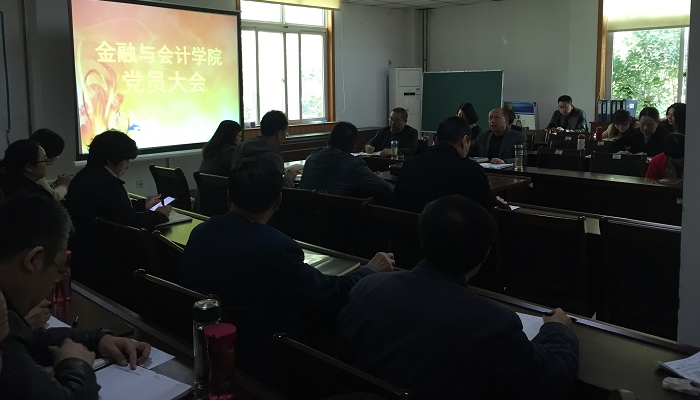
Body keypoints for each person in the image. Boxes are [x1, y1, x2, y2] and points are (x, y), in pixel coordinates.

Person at [337, 195, 579, 400]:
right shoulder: (492, 324)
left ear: (423, 239)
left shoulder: (367, 288)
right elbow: (552, 378)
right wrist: (558, 330)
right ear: (485, 254)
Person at [181, 158, 394, 379]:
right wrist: (370, 270)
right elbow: (331, 294)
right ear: (278, 202)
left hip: (205, 346)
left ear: (228, 196)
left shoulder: (200, 233)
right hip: (266, 359)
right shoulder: (277, 247)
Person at [0, 194, 151, 400]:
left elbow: (28, 339)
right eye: (59, 271)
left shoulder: (7, 315)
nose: (54, 284)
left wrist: (98, 339)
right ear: (33, 260)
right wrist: (75, 364)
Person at [65, 130, 171, 280]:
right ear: (110, 159)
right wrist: (160, 215)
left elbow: (113, 209)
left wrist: (143, 205)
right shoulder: (107, 184)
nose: (127, 166)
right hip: (106, 258)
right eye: (126, 160)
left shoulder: (84, 176)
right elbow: (131, 222)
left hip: (85, 251)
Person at [394, 116, 497, 212]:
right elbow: (488, 207)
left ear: (436, 140)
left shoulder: (409, 164)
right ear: (464, 140)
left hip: (408, 224)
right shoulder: (471, 169)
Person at [299, 122, 393, 203]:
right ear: (353, 145)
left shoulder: (312, 156)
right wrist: (376, 177)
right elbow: (386, 190)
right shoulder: (354, 164)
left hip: (304, 212)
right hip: (333, 215)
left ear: (330, 139)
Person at [231, 110, 298, 187]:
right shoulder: (274, 158)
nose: (286, 136)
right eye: (286, 133)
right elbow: (277, 189)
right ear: (279, 134)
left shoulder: (242, 146)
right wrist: (289, 178)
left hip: (236, 193)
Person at [28, 128, 72, 201]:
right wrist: (63, 185)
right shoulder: (36, 171)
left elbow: (41, 184)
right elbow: (52, 197)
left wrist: (59, 181)